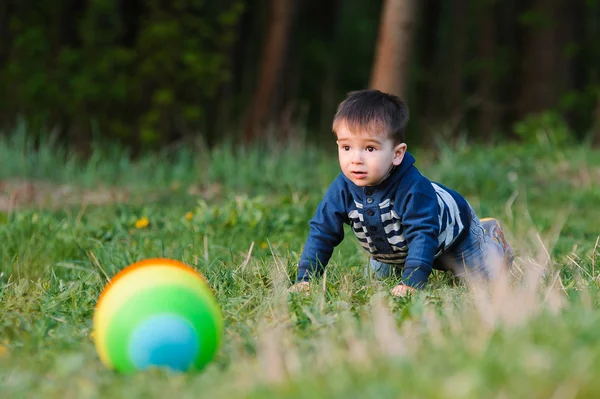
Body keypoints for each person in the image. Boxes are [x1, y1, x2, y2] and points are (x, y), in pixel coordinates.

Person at [290, 89, 513, 297]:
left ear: (397, 154)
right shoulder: (342, 188)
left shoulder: (414, 190)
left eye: (370, 148)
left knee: (483, 282)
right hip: (391, 248)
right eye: (346, 147)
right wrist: (306, 278)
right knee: (377, 283)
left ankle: (490, 238)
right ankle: (397, 262)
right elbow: (322, 231)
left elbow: (423, 236)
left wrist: (411, 283)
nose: (355, 159)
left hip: (455, 236)